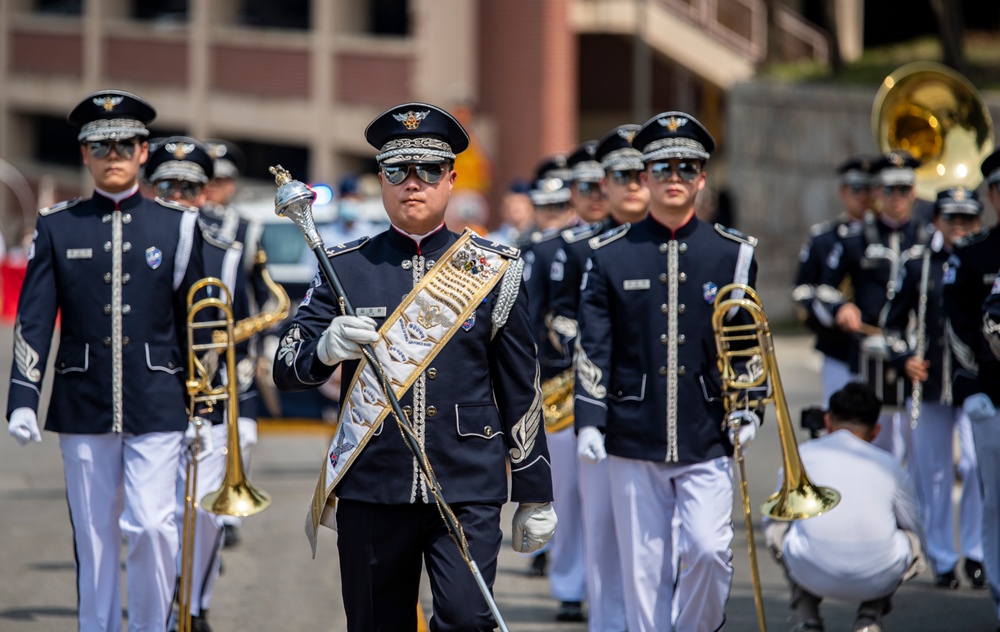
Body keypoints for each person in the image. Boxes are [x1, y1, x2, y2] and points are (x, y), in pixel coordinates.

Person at [271, 102, 556, 631]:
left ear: (450, 180)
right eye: (398, 170)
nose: (412, 183)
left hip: (467, 481)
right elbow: (288, 366)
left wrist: (535, 491)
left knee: (469, 621)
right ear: (381, 180)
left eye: (428, 170)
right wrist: (325, 350)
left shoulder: (494, 270)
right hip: (373, 484)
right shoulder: (346, 267)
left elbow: (521, 386)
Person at [5, 90, 205, 632]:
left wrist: (205, 406)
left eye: (123, 144)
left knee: (152, 527)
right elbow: (35, 319)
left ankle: (149, 625)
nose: (112, 154)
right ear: (84, 154)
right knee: (94, 538)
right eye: (100, 145)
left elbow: (198, 322)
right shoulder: (57, 225)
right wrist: (23, 398)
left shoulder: (178, 226)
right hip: (82, 401)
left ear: (144, 152)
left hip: (160, 400)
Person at [574, 111, 759, 631]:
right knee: (643, 572)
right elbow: (594, 345)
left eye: (686, 167)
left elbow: (746, 343)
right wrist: (590, 420)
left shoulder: (733, 253)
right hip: (633, 435)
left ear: (702, 177)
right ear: (647, 176)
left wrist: (750, 409)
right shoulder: (608, 256)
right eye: (661, 168)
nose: (673, 177)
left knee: (707, 550)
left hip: (709, 431)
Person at [556, 123, 648, 632]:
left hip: (660, 410)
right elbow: (559, 316)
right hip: (592, 399)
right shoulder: (578, 247)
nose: (634, 183)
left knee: (669, 542)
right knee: (602, 527)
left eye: (642, 172)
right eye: (622, 174)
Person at [884, 186, 985, 590]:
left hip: (979, 383)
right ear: (937, 220)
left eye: (967, 219)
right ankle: (942, 556)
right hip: (929, 385)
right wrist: (904, 356)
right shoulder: (917, 264)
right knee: (934, 472)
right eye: (951, 218)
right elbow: (891, 322)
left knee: (978, 465)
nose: (959, 227)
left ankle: (977, 552)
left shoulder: (985, 260)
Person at [764, 382, 926, 632]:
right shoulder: (890, 465)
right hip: (878, 575)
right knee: (910, 540)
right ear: (876, 430)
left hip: (811, 569)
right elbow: (915, 526)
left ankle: (808, 618)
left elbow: (777, 517)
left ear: (828, 420)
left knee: (778, 530)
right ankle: (869, 618)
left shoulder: (801, 455)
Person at [817, 151, 932, 463]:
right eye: (889, 189)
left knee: (920, 451)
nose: (897, 197)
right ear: (877, 191)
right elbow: (823, 288)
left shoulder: (928, 238)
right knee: (873, 447)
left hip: (916, 359)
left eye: (904, 189)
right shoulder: (856, 238)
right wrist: (841, 307)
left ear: (914, 192)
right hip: (869, 357)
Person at [203, 138, 272, 551]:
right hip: (198, 352)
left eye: (223, 180)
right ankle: (208, 509)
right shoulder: (186, 223)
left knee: (243, 434)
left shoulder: (249, 229)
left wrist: (264, 347)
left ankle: (232, 506)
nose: (216, 187)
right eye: (210, 179)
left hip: (240, 351)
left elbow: (264, 291)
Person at [948, 148, 1000, 627]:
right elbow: (960, 326)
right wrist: (973, 390)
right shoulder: (971, 255)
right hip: (992, 394)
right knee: (995, 496)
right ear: (992, 195)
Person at [792, 156, 874, 406]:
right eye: (856, 188)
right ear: (843, 192)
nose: (863, 195)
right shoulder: (824, 238)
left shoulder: (887, 237)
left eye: (869, 188)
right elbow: (803, 290)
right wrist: (833, 314)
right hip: (839, 346)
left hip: (882, 347)